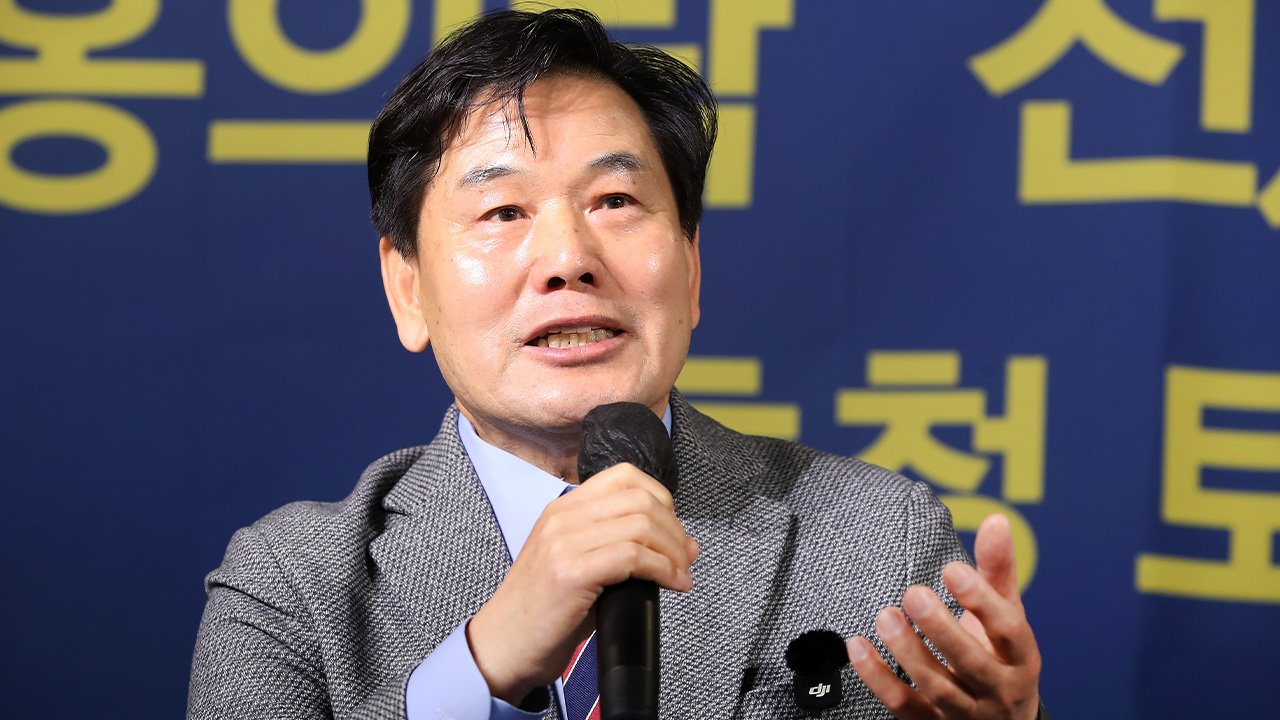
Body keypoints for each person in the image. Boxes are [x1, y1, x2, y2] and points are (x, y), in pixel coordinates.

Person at [188, 9, 1045, 720]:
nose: (568, 257)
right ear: (407, 288)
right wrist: (482, 668)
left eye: (615, 199)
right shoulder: (292, 585)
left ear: (691, 266)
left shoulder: (874, 539)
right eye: (502, 211)